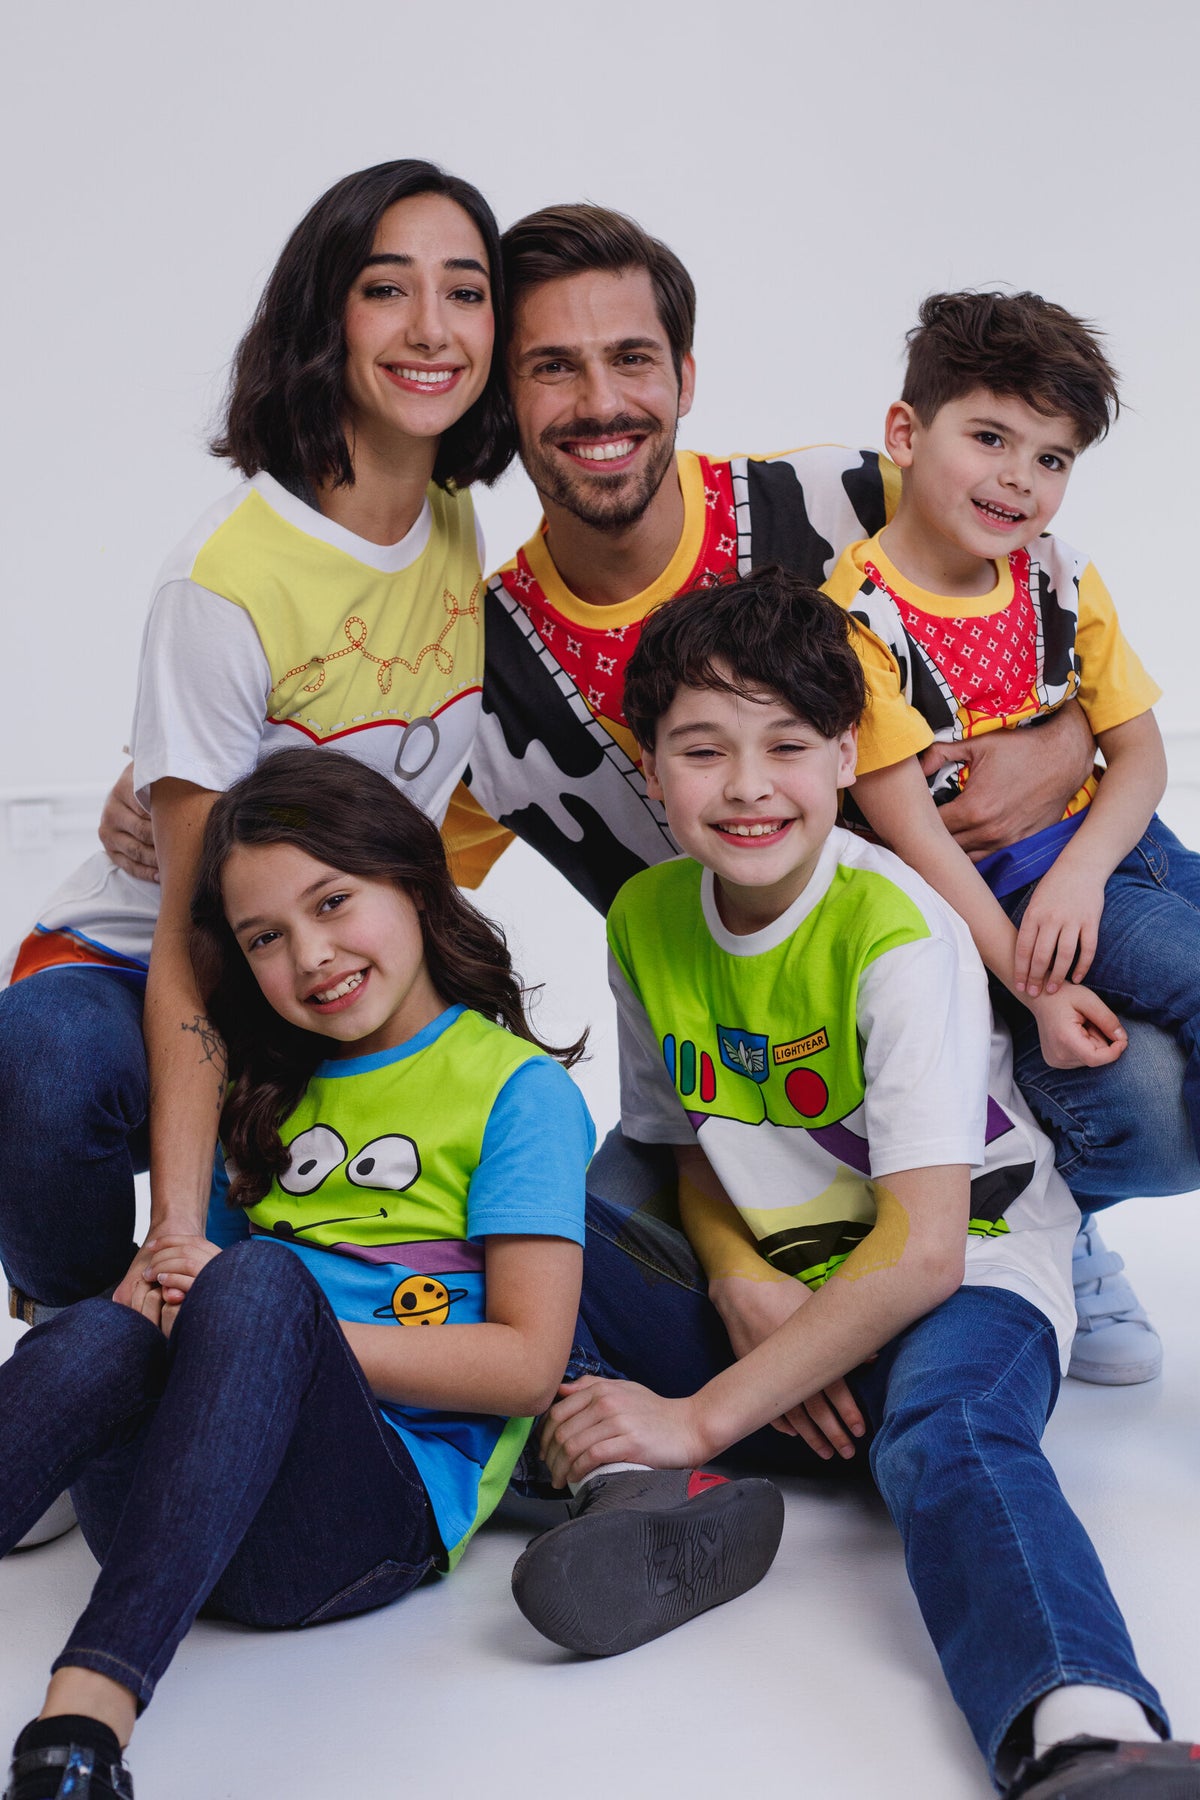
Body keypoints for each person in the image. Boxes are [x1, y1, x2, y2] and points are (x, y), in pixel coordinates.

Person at [96, 202, 1196, 1375]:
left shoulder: (846, 499)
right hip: (744, 1084)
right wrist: (197, 775)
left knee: (1143, 1094)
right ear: (500, 397)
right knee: (577, 1250)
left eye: (630, 358)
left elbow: (1041, 614)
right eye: (551, 368)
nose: (600, 403)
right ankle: (810, 1297)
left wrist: (1063, 745)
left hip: (978, 979)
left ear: (684, 376)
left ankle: (1030, 1226)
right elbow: (370, 864)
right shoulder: (483, 666)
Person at [513, 572, 1199, 1799]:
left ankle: (1083, 1727)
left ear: (845, 756)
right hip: (779, 1306)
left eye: (787, 746)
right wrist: (738, 1282)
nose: (747, 786)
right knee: (530, 1218)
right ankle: (647, 1489)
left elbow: (926, 1250)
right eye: (702, 751)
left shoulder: (896, 925)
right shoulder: (646, 916)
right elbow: (685, 1142)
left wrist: (708, 1409)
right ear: (651, 768)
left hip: (960, 1279)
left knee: (951, 1431)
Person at [0, 747, 593, 1800]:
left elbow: (526, 1367)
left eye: (333, 902)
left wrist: (291, 1327)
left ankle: (86, 1718)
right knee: (94, 1326)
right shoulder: (259, 1090)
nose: (311, 955)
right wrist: (160, 1298)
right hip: (174, 1509)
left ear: (414, 882)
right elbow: (190, 1300)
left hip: (354, 1528)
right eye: (265, 937)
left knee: (260, 1283)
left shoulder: (516, 1092)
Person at [0, 159, 514, 1366]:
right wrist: (173, 1235)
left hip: (327, 967)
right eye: (386, 289)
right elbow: (193, 936)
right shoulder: (225, 581)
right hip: (155, 970)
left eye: (466, 291)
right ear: (324, 314)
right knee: (42, 1064)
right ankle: (79, 1342)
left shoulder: (450, 519)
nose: (432, 328)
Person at [827, 290, 1198, 1385]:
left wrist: (1084, 870)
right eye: (989, 438)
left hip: (1116, 855)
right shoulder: (861, 618)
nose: (1018, 480)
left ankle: (1061, 1217)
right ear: (906, 434)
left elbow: (1140, 755)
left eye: (1051, 458)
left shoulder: (1059, 574)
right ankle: (1050, 1214)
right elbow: (916, 839)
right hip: (1008, 908)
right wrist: (1031, 984)